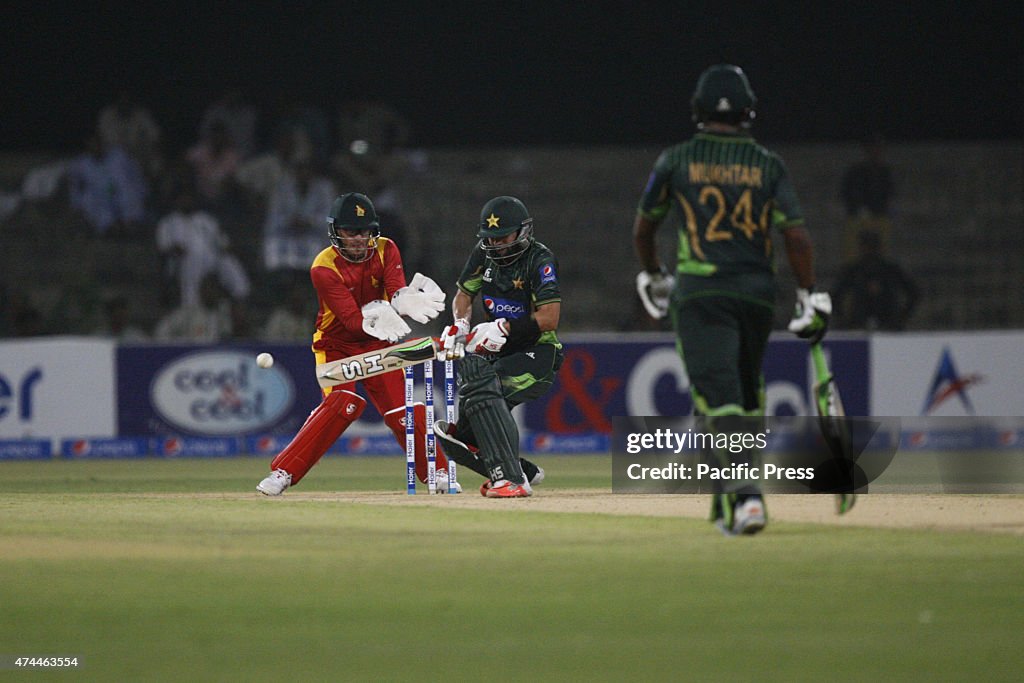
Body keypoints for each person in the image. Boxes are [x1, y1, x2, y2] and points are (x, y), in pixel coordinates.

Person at [632, 64, 832, 535]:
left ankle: (746, 498)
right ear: (749, 110)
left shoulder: (676, 159)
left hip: (701, 290)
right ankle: (724, 504)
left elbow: (644, 228)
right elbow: (797, 237)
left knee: (718, 395)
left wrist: (654, 274)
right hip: (759, 293)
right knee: (743, 393)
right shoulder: (769, 163)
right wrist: (809, 294)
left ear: (698, 110)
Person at [256, 192, 454, 495]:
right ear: (336, 231)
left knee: (403, 411)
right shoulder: (323, 266)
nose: (359, 239)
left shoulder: (387, 249)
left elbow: (395, 289)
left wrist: (404, 301)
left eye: (364, 231)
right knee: (341, 405)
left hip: (377, 344)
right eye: (351, 231)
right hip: (335, 345)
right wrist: (382, 315)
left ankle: (438, 473)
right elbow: (350, 320)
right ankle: (284, 471)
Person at [431, 196, 562, 498]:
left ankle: (513, 479)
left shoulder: (539, 260)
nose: (497, 246)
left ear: (523, 232)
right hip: (499, 352)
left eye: (503, 238)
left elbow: (549, 318)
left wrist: (504, 327)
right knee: (463, 433)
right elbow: (464, 296)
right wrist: (461, 326)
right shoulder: (484, 253)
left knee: (484, 383)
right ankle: (518, 467)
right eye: (490, 239)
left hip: (538, 354)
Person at [831, 230, 919, 331]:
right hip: (859, 324)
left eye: (872, 246)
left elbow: (913, 293)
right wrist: (844, 321)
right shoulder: (853, 270)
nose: (869, 250)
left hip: (888, 324)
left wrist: (900, 319)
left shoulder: (891, 270)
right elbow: (835, 296)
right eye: (866, 246)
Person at [839, 133, 895, 261]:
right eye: (872, 148)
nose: (875, 152)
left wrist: (885, 210)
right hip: (858, 217)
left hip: (880, 216)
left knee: (883, 248)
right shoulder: (856, 171)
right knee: (852, 251)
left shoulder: (884, 172)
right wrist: (859, 209)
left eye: (878, 148)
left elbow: (890, 194)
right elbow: (847, 192)